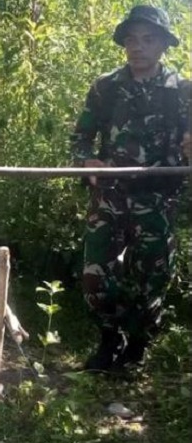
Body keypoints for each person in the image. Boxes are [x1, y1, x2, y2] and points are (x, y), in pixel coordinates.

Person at [70, 5, 191, 372]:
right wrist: (86, 162)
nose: (137, 47)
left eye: (148, 39)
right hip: (111, 193)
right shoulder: (106, 87)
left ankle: (137, 347)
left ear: (163, 45)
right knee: (95, 274)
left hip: (158, 196)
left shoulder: (183, 91)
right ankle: (109, 341)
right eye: (132, 39)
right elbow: (80, 138)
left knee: (152, 276)